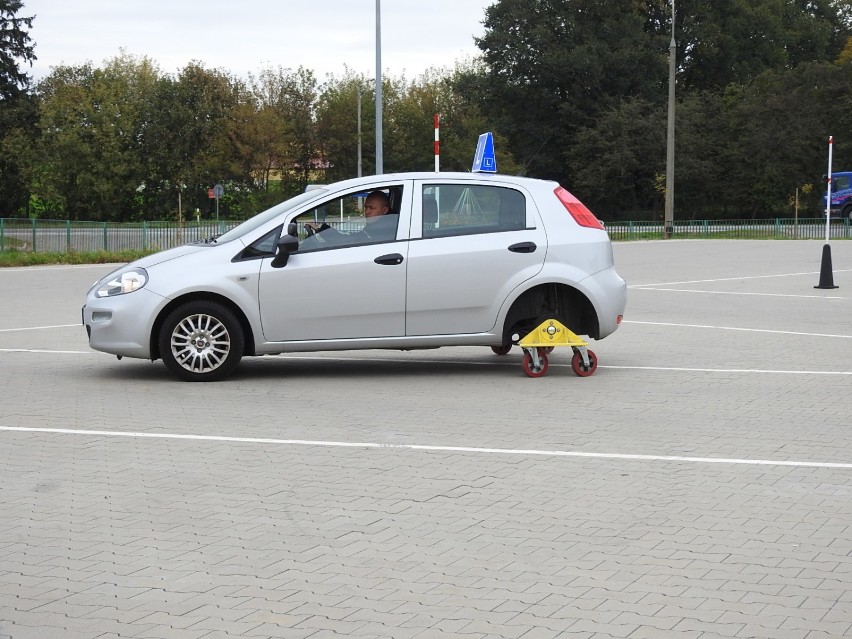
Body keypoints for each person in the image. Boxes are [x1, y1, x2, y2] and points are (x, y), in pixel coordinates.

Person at [305, 190, 398, 244]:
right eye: (366, 207)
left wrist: (323, 230)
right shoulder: (378, 228)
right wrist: (321, 229)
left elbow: (349, 240)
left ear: (385, 210)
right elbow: (353, 238)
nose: (367, 212)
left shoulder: (386, 231)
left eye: (371, 208)